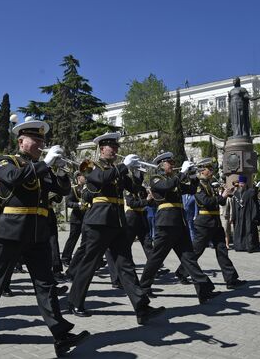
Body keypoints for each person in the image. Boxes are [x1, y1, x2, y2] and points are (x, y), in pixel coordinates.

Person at [0, 119, 88, 356]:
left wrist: (58, 171)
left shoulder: (42, 167)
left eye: (42, 140)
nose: (40, 144)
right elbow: (12, 178)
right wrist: (45, 164)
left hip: (38, 233)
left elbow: (63, 191)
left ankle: (60, 334)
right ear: (21, 141)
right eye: (35, 140)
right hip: (13, 231)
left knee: (46, 284)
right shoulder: (8, 161)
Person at [67, 132, 164, 325]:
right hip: (99, 221)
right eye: (112, 147)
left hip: (118, 221)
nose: (116, 150)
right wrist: (124, 166)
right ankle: (74, 302)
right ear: (102, 148)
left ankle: (141, 307)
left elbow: (135, 189)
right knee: (90, 262)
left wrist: (136, 173)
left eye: (117, 147)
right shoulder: (91, 166)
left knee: (125, 264)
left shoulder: (117, 169)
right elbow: (101, 179)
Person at [140, 152, 218, 304]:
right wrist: (182, 172)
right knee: (157, 258)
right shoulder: (156, 179)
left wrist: (195, 176)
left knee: (189, 258)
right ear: (161, 165)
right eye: (170, 162)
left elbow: (191, 189)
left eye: (172, 161)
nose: (172, 164)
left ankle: (204, 290)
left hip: (180, 223)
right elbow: (168, 186)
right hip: (166, 223)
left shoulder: (175, 180)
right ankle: (143, 287)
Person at [174, 161, 246, 289]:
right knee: (196, 251)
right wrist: (221, 197)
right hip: (204, 223)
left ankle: (231, 279)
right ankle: (181, 273)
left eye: (212, 169)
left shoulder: (210, 185)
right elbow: (205, 202)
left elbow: (220, 203)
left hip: (215, 222)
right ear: (202, 171)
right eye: (209, 169)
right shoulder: (198, 185)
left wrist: (226, 194)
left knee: (222, 250)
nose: (212, 172)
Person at [61, 172, 88, 267]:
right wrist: (78, 205)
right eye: (84, 176)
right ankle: (65, 258)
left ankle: (94, 261)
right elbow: (68, 202)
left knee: (88, 240)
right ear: (78, 177)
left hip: (87, 218)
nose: (85, 178)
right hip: (77, 218)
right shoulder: (73, 189)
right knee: (72, 239)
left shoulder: (88, 188)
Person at [231, 175, 259, 252]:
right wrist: (233, 216)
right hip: (239, 216)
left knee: (248, 231)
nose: (241, 185)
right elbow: (234, 205)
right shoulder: (236, 193)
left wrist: (256, 187)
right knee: (238, 231)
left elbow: (254, 197)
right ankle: (239, 246)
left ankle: (249, 247)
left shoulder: (250, 192)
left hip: (247, 215)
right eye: (240, 183)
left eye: (242, 183)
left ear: (246, 184)